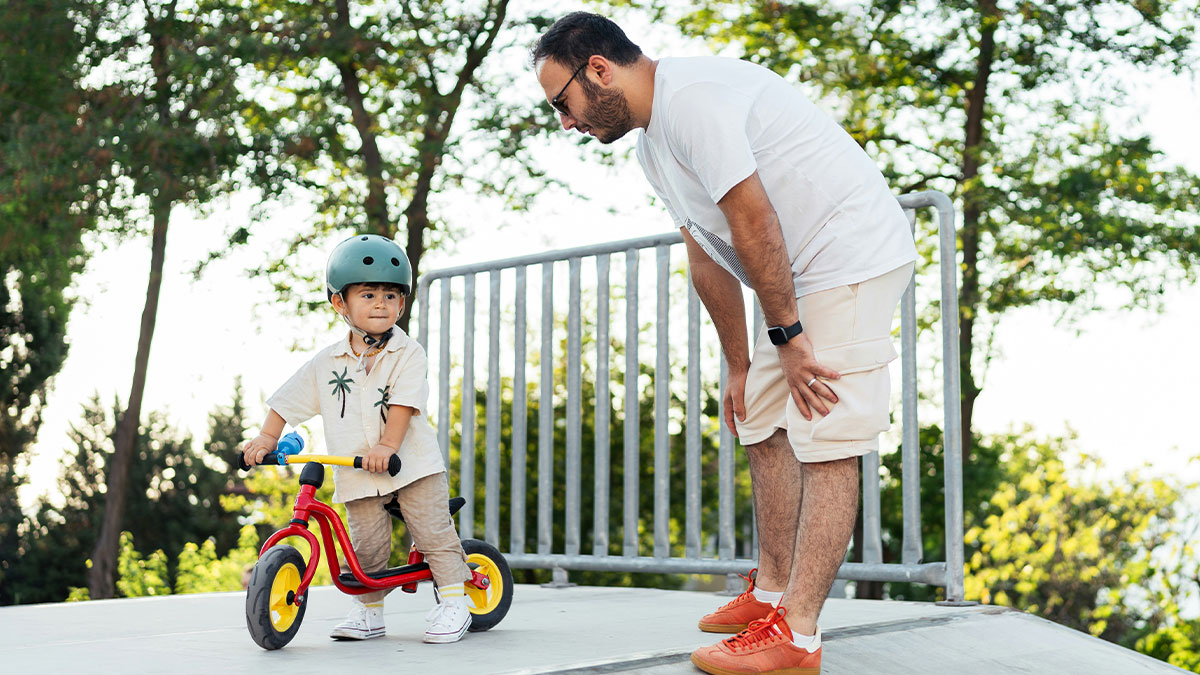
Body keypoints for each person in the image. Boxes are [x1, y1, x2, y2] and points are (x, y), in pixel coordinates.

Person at [532, 13, 917, 675]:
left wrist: (791, 338)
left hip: (849, 256)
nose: (565, 122)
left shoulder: (693, 101)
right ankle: (770, 591)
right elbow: (708, 252)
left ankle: (796, 637)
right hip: (796, 276)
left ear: (598, 68)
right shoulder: (653, 144)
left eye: (560, 104)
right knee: (760, 417)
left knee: (827, 430)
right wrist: (741, 363)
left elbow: (753, 217)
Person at [242, 234, 474, 645]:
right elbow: (288, 399)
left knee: (432, 532)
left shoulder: (408, 353)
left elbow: (403, 406)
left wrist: (386, 447)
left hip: (412, 466)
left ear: (402, 303)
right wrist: (266, 436)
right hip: (357, 472)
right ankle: (369, 612)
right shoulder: (326, 362)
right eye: (368, 294)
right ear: (340, 304)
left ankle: (455, 600)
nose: (381, 303)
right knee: (366, 544)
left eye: (390, 294)